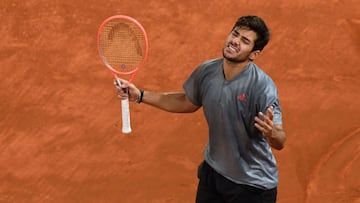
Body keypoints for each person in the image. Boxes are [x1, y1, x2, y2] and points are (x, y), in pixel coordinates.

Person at [115, 15, 286, 203]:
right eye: (235, 34)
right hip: (214, 174)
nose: (235, 41)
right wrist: (139, 95)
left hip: (252, 186)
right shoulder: (207, 71)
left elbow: (279, 139)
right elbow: (187, 101)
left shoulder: (262, 87)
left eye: (245, 41)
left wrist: (271, 133)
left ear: (254, 54)